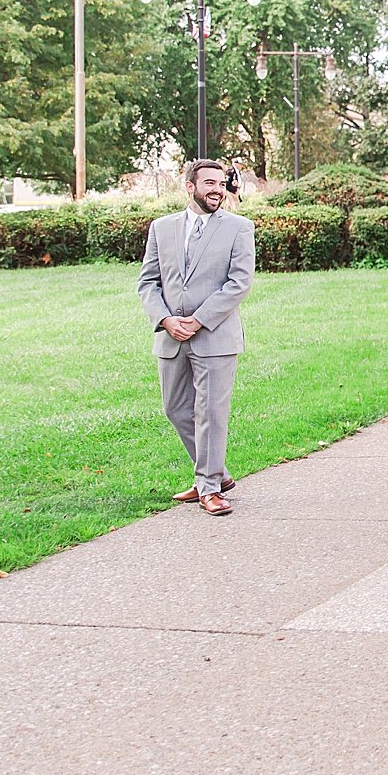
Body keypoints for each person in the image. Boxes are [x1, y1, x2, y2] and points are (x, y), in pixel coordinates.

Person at [137, 158, 255, 517]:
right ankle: (217, 475)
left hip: (215, 337)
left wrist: (198, 320)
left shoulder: (239, 228)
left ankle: (208, 486)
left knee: (211, 413)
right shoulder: (161, 228)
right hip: (171, 337)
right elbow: (148, 282)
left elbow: (239, 283)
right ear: (190, 187)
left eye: (221, 184)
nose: (217, 190)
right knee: (175, 409)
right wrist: (165, 319)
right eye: (209, 184)